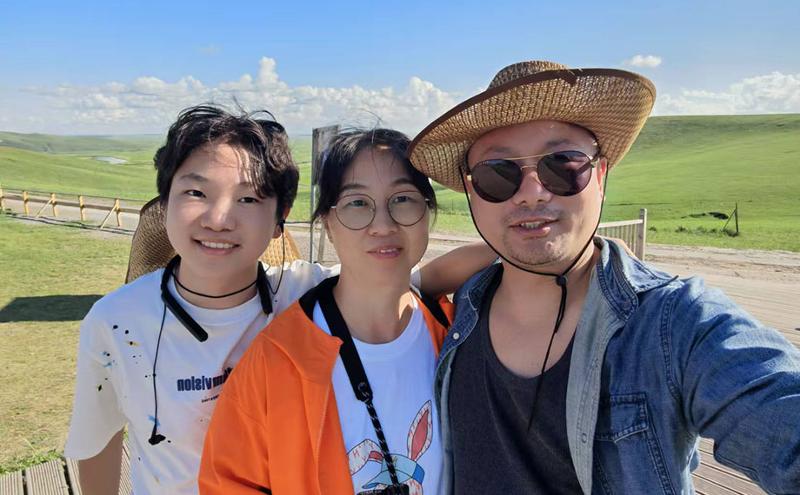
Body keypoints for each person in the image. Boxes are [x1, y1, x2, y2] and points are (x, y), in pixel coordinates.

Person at [407, 60, 800, 494]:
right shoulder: (464, 305)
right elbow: (401, 287)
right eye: (497, 173)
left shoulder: (671, 324)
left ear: (600, 174)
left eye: (563, 164)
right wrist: (508, 247)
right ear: (471, 190)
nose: (532, 192)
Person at [64, 108, 493, 495]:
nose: (219, 219)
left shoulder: (301, 290)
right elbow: (96, 441)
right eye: (196, 192)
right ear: (165, 201)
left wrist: (517, 249)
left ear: (279, 219)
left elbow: (407, 277)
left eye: (248, 198)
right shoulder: (117, 322)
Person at [199, 129, 494, 494]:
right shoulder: (278, 360)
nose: (383, 225)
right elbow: (227, 483)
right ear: (328, 222)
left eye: (403, 199)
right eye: (357, 203)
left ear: (427, 212)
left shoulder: (457, 335)